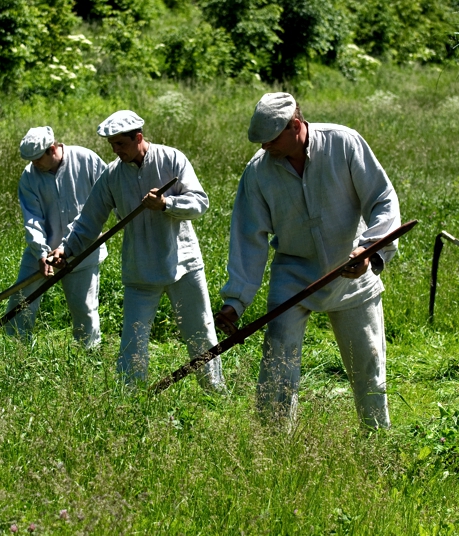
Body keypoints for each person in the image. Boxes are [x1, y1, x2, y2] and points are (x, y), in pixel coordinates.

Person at [214, 93, 401, 428]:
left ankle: (377, 438)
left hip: (352, 269)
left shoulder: (343, 144)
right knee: (278, 364)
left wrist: (369, 251)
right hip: (294, 276)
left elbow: (382, 199)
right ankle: (275, 442)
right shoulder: (258, 173)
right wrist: (235, 302)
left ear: (295, 126)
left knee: (368, 363)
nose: (263, 148)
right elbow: (248, 238)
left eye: (270, 140)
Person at [51, 110, 226, 393]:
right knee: (133, 338)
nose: (116, 151)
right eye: (112, 145)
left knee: (201, 332)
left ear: (139, 138)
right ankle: (129, 397)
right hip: (139, 268)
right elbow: (88, 220)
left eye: (120, 144)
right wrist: (66, 249)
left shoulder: (171, 159)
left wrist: (167, 204)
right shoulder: (112, 176)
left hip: (184, 263)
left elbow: (199, 202)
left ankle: (215, 393)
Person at [5, 126, 107, 348]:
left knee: (85, 308)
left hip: (83, 249)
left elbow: (103, 200)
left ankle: (88, 355)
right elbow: (32, 219)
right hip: (41, 251)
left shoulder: (87, 159)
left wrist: (68, 246)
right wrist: (41, 253)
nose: (34, 164)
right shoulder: (30, 176)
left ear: (52, 149)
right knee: (20, 301)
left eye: (37, 159)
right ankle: (13, 350)